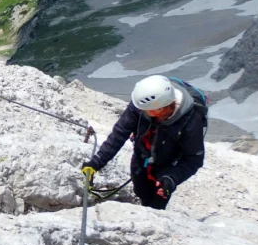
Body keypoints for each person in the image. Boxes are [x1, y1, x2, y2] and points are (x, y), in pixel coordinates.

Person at [82, 75, 206, 210]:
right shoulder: (141, 105)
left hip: (168, 165)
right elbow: (119, 133)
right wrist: (96, 163)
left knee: (157, 203)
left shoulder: (191, 121)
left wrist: (172, 178)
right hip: (141, 155)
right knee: (140, 191)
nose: (140, 111)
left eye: (146, 110)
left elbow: (194, 159)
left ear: (159, 109)